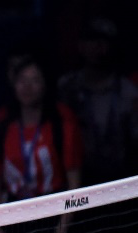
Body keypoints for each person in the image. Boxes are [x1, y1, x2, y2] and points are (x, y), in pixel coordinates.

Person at [0, 56, 82, 233]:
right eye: (22, 80)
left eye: (35, 80)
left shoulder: (62, 127)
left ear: (46, 85)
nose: (27, 87)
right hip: (12, 218)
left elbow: (75, 188)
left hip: (52, 217)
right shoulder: (2, 128)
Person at [57, 17, 138, 186]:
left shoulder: (128, 91)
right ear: (81, 45)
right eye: (91, 40)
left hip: (121, 179)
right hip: (78, 178)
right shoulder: (66, 88)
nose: (97, 47)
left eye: (103, 41)